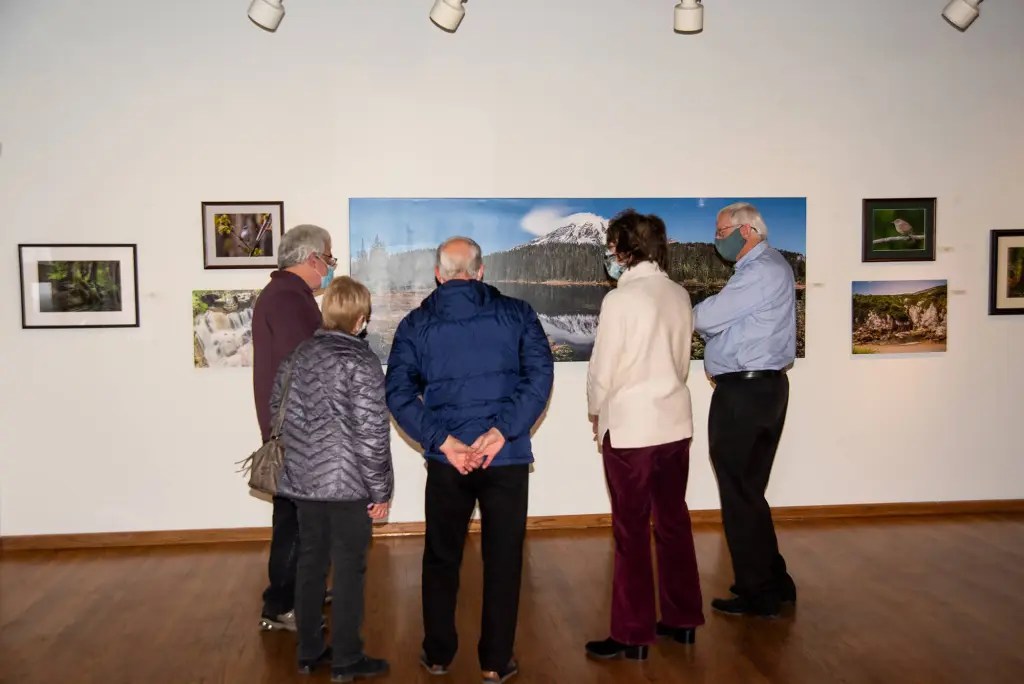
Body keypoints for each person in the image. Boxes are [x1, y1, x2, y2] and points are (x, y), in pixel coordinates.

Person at [385, 236, 554, 684]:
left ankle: (438, 654)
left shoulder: (415, 323)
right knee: (504, 560)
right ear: (479, 271)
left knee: (441, 557)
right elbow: (539, 377)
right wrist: (502, 432)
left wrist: (444, 441)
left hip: (449, 462)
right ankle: (495, 662)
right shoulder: (518, 313)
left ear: (439, 274)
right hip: (506, 457)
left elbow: (398, 393)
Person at [583, 209, 705, 661]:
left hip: (631, 429)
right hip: (674, 423)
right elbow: (681, 362)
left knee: (631, 530)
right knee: (673, 521)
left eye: (612, 245)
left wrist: (596, 410)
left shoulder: (621, 300)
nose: (609, 254)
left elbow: (603, 369)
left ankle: (633, 634)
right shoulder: (679, 294)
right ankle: (682, 618)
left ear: (626, 248)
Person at [272, 275, 393, 681]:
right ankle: (346, 658)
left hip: (304, 482)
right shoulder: (361, 361)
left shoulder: (296, 356)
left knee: (311, 563)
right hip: (348, 485)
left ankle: (308, 653)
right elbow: (372, 433)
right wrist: (381, 491)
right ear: (359, 318)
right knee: (348, 569)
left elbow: (277, 414)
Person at [692, 201, 797, 618]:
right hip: (761, 389)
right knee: (749, 491)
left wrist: (693, 315)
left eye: (722, 232)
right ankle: (774, 580)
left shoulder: (759, 271)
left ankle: (759, 592)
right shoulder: (767, 268)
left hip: (745, 393)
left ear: (747, 231)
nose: (717, 240)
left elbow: (707, 317)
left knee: (738, 492)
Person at [251, 223, 336, 632]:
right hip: (298, 428)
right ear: (312, 258)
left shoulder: (286, 294)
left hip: (293, 424)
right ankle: (281, 604)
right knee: (295, 522)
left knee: (301, 518)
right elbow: (305, 363)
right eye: (329, 259)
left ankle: (305, 590)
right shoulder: (288, 298)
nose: (330, 267)